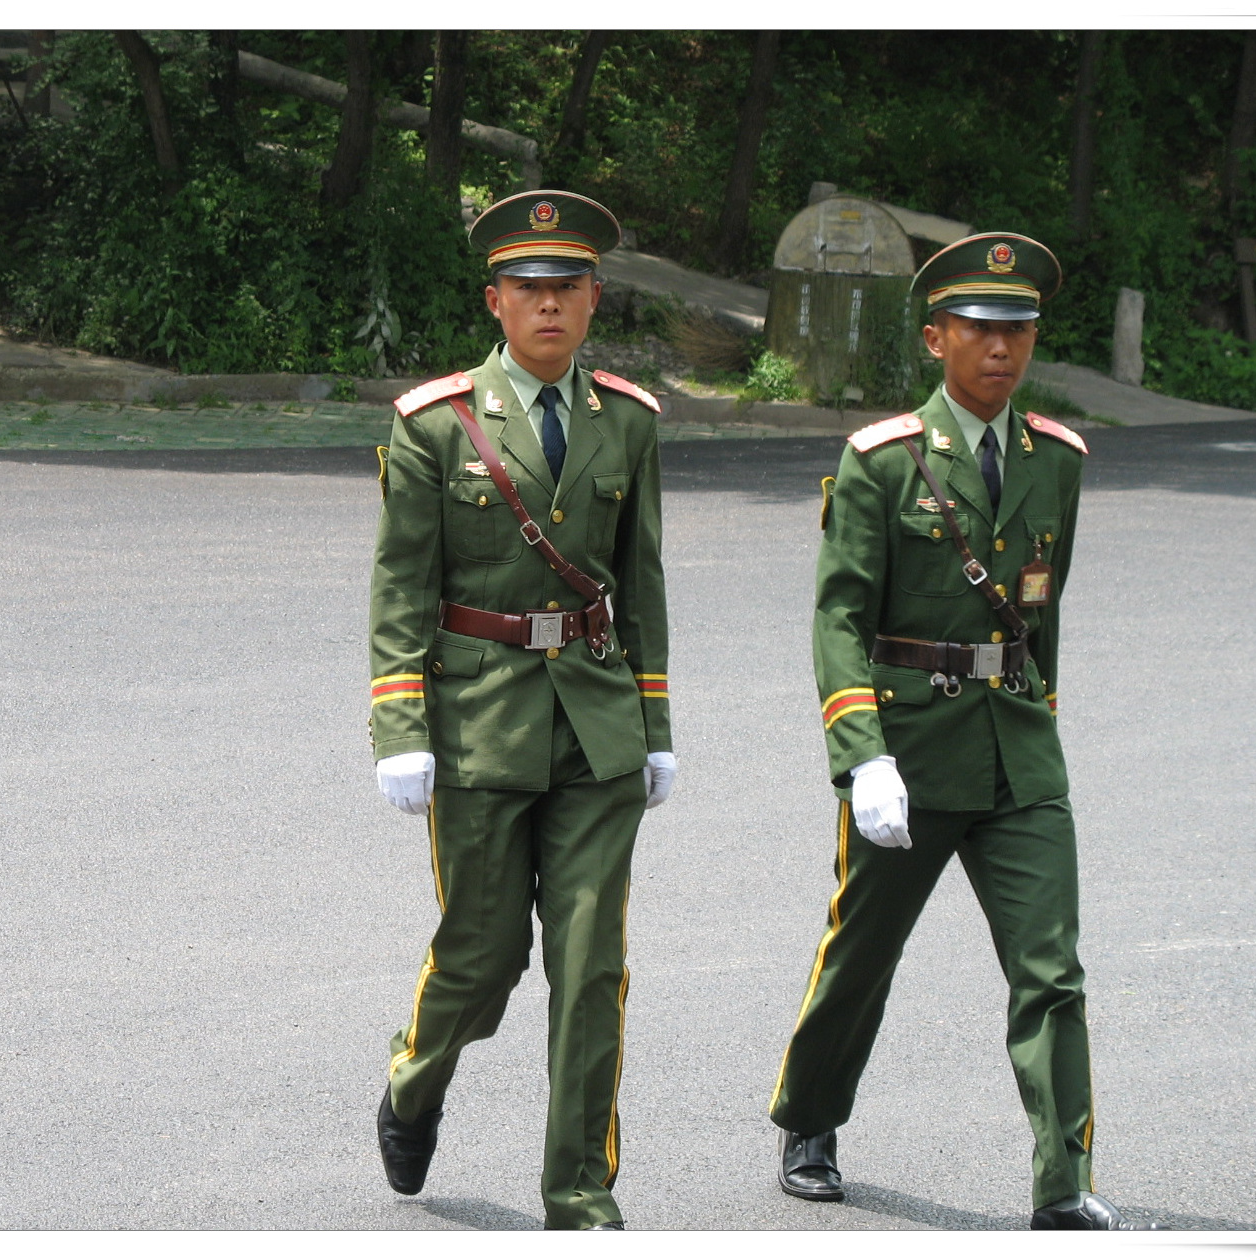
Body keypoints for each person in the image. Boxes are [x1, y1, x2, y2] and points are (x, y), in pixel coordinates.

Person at [768, 233, 1162, 1230]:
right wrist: (862, 759)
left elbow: (1040, 615)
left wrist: (1041, 720)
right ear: (936, 337)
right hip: (907, 749)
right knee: (862, 952)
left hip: (1018, 754)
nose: (1002, 348)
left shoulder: (1056, 460)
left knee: (1051, 971)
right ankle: (809, 1119)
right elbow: (839, 619)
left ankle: (1062, 1182)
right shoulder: (882, 460)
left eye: (1018, 330)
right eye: (981, 329)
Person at [368, 189, 676, 1231]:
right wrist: (400, 730)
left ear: (594, 299)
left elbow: (641, 586)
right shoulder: (434, 423)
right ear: (494, 301)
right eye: (528, 287)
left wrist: (656, 728)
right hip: (477, 723)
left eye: (567, 287)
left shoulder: (627, 422)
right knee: (483, 957)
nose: (549, 305)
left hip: (596, 725)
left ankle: (580, 1196)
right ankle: (415, 1078)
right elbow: (401, 590)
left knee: (591, 968)